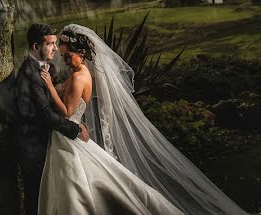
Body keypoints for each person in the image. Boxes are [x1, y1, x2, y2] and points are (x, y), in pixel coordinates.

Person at [37, 24, 248, 215]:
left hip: (69, 135)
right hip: (70, 133)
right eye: (63, 56)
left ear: (81, 53)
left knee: (77, 183)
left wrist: (48, 86)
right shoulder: (83, 73)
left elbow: (66, 112)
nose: (64, 60)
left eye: (67, 55)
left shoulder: (77, 77)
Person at [10, 23, 89, 215]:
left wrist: (76, 120)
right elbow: (45, 113)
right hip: (33, 147)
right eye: (51, 44)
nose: (55, 48)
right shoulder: (29, 74)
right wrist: (74, 129)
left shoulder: (48, 68)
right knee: (36, 199)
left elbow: (57, 104)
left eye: (55, 43)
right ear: (36, 47)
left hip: (49, 142)